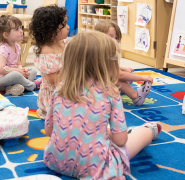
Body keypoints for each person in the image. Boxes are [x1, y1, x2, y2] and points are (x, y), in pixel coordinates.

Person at [43, 31, 161, 179]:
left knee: (100, 130)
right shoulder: (110, 93)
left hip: (55, 161)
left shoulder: (60, 89)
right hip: (93, 167)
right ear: (108, 65)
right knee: (143, 134)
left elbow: (48, 131)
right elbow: (121, 140)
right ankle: (149, 129)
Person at [95, 20, 153, 105]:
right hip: (94, 87)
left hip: (98, 83)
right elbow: (118, 75)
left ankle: (118, 89)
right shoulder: (100, 52)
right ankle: (136, 97)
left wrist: (124, 68)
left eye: (116, 38)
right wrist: (142, 77)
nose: (114, 40)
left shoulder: (105, 50)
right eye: (111, 37)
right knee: (117, 78)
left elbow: (108, 67)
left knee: (127, 73)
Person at [30, 5, 69, 119]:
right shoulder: (46, 51)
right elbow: (54, 80)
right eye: (64, 24)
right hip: (55, 94)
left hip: (67, 85)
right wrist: (74, 72)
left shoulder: (64, 43)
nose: (68, 27)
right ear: (51, 29)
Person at [0, 15, 40, 96]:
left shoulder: (17, 47)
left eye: (20, 28)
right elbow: (1, 69)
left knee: (32, 70)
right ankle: (32, 86)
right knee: (16, 75)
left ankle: (14, 88)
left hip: (12, 77)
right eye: (16, 29)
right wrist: (18, 71)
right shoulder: (2, 49)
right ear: (6, 35)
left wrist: (22, 70)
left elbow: (18, 64)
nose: (21, 31)